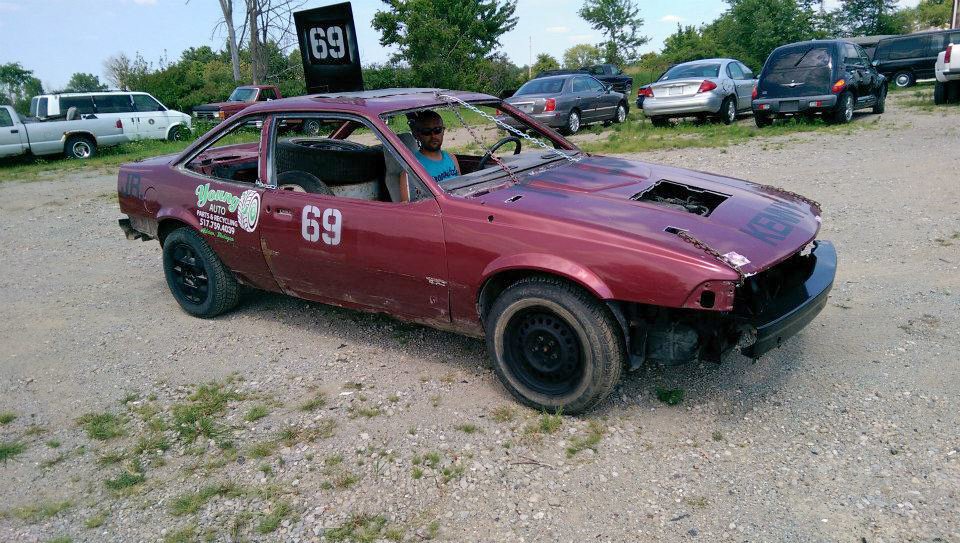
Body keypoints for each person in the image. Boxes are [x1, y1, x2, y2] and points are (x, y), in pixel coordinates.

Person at [407, 110, 460, 182]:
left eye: (437, 130)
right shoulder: (412, 167)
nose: (433, 136)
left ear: (443, 131)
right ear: (417, 135)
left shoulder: (452, 158)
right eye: (426, 131)